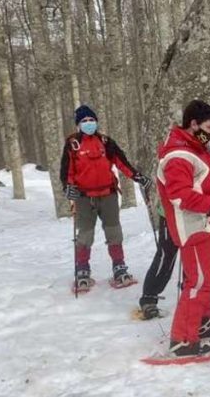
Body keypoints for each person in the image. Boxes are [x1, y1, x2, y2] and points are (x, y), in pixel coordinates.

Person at [155, 100, 210, 357]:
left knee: (207, 277)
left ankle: (201, 322)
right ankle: (182, 340)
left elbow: (204, 184)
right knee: (197, 281)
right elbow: (180, 195)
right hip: (191, 226)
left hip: (204, 223)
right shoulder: (179, 155)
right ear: (194, 124)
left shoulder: (196, 149)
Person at [138, 125, 210, 319]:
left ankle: (191, 300)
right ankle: (149, 297)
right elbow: (180, 189)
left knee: (195, 261)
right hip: (172, 212)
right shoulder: (195, 154)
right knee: (167, 253)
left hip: (198, 215)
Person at [61, 104, 151, 291]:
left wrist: (137, 177)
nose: (88, 123)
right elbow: (67, 171)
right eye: (84, 121)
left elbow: (121, 162)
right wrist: (67, 188)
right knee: (85, 234)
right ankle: (82, 269)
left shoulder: (106, 141)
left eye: (91, 120)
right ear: (78, 124)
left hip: (107, 194)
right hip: (84, 197)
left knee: (114, 232)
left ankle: (119, 266)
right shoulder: (72, 144)